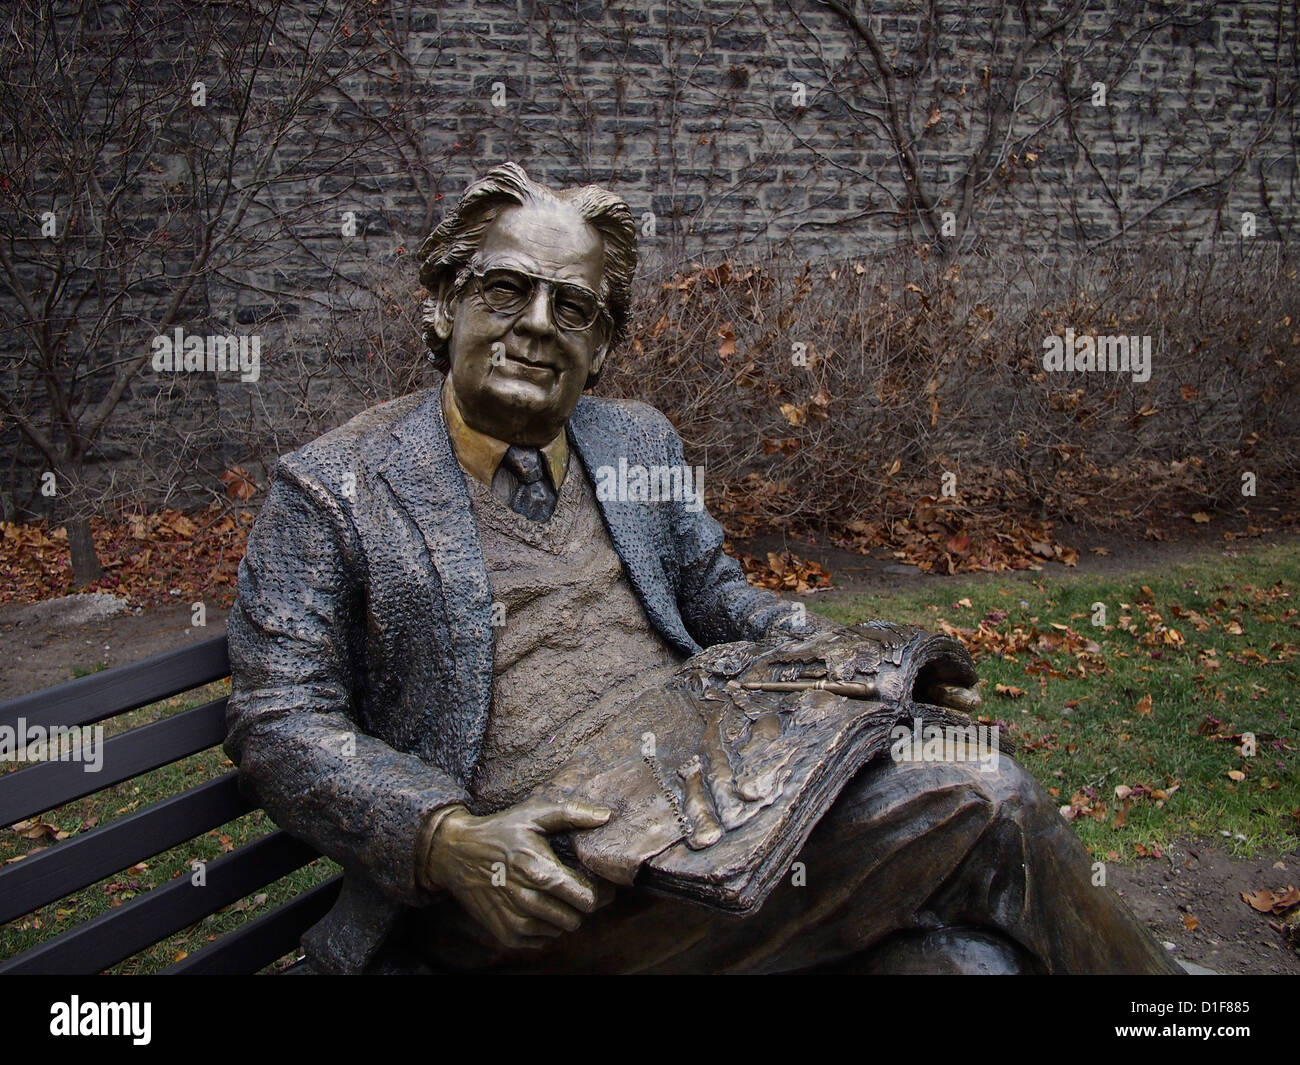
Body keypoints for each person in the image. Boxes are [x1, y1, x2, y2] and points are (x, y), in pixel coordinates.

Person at [225, 162, 1181, 974]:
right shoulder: (334, 486)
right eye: (506, 289)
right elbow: (280, 720)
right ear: (443, 305)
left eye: (575, 307)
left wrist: (861, 663)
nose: (538, 324)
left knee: (966, 964)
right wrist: (445, 839)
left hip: (721, 802)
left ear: (600, 347)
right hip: (533, 888)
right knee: (985, 793)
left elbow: (717, 594)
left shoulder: (632, 438)